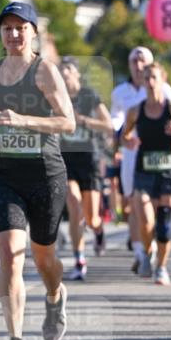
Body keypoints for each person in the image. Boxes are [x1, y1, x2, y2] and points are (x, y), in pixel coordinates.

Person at [0, 2, 75, 340]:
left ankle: (55, 294)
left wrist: (23, 120)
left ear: (33, 32)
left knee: (43, 258)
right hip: (5, 174)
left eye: (21, 28)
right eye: (7, 28)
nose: (14, 34)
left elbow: (67, 122)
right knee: (9, 254)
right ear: (0, 33)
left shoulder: (44, 70)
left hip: (46, 175)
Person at [111, 46, 171, 273]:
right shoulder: (120, 93)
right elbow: (117, 121)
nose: (139, 66)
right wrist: (121, 139)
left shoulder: (165, 90)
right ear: (129, 65)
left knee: (159, 215)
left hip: (163, 159)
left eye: (143, 61)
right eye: (134, 61)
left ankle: (155, 251)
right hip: (134, 156)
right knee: (133, 204)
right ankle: (142, 253)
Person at [121, 62, 171, 285]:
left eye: (154, 78)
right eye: (146, 78)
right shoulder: (135, 111)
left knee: (163, 226)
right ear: (142, 82)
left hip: (168, 172)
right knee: (147, 222)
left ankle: (162, 267)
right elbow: (123, 136)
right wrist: (128, 141)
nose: (149, 82)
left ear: (162, 80)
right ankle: (148, 252)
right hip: (144, 172)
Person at [58, 57, 114, 280]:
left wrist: (82, 120)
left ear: (77, 74)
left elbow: (108, 125)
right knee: (73, 204)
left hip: (89, 159)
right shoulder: (56, 97)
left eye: (68, 70)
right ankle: (79, 258)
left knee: (91, 218)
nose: (64, 75)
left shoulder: (89, 96)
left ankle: (98, 230)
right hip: (66, 159)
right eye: (61, 71)